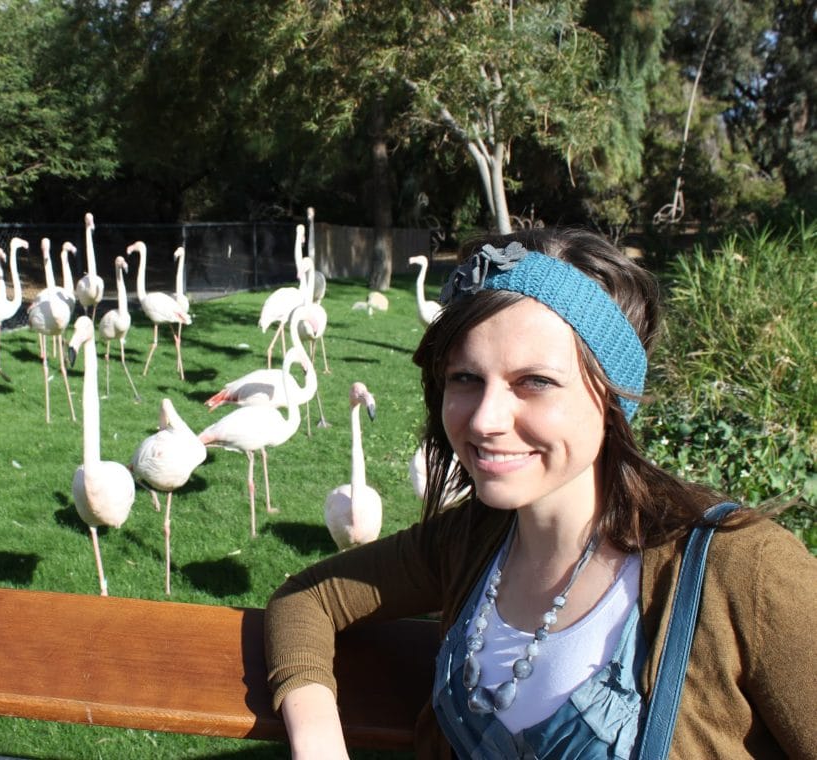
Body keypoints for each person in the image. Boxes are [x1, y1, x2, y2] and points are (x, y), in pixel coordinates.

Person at [264, 228, 817, 759]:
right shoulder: (468, 543)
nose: (484, 420)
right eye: (465, 378)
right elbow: (308, 598)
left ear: (612, 396)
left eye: (535, 382)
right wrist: (317, 735)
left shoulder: (744, 571)